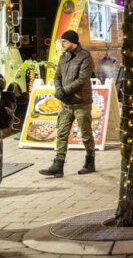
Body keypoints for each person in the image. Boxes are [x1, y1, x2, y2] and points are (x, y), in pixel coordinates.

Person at [40, 30, 95, 178]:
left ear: (72, 42)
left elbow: (82, 79)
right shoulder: (63, 57)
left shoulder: (85, 56)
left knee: (86, 133)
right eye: (61, 41)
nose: (62, 44)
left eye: (64, 41)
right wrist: (58, 89)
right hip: (66, 104)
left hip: (81, 102)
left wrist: (64, 91)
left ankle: (90, 161)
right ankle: (58, 165)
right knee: (62, 133)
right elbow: (57, 75)